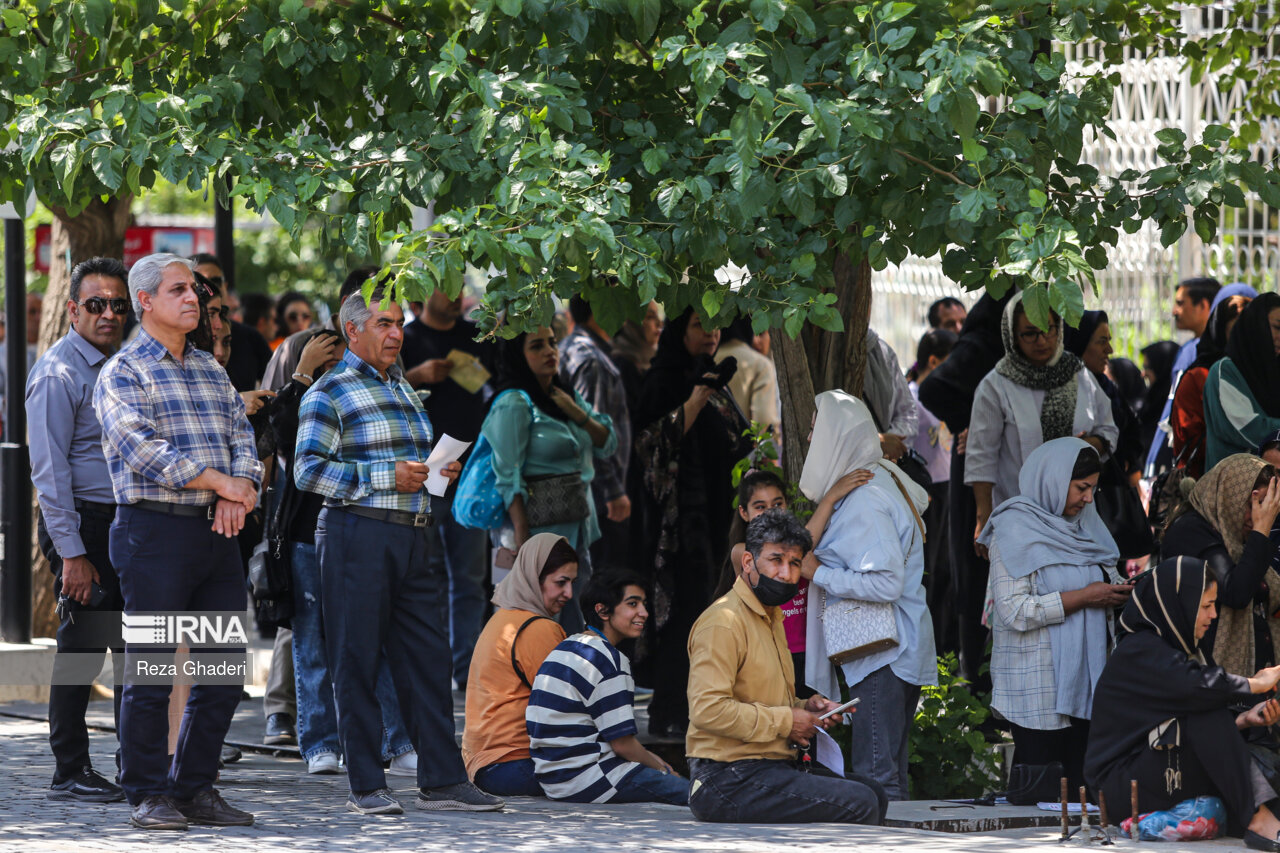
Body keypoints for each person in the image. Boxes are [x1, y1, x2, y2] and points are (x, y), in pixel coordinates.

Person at [294, 286, 502, 815]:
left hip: (414, 531)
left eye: (398, 323)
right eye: (384, 324)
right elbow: (308, 472)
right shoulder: (328, 392)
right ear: (352, 331)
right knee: (356, 660)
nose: (395, 333)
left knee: (428, 660)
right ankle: (367, 782)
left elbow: (410, 468)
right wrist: (386, 475)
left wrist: (436, 471)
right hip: (356, 535)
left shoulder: (402, 386)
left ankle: (442, 779)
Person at [94, 253, 263, 830]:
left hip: (216, 533)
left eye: (194, 289)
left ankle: (196, 789)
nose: (194, 299)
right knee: (154, 670)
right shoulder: (123, 371)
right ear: (145, 301)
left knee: (222, 669)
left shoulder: (211, 368)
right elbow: (144, 450)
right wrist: (222, 484)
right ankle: (147, 792)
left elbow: (242, 433)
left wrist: (243, 492)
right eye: (178, 290)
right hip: (154, 533)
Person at [268, 327, 417, 775]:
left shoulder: (377, 391)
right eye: (324, 367)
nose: (334, 376)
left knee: (378, 640)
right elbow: (283, 441)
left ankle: (397, 740)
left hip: (362, 527)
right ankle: (319, 745)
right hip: (303, 534)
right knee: (311, 642)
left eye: (339, 364)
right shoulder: (307, 399)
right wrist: (300, 375)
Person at [686, 509, 887, 823]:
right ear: (749, 563)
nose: (786, 573)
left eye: (794, 563)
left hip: (768, 767)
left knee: (874, 792)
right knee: (860, 801)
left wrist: (807, 707)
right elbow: (707, 710)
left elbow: (764, 702)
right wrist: (787, 720)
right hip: (724, 778)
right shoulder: (723, 622)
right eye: (775, 560)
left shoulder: (772, 617)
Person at [1084, 556, 1280, 846]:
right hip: (1120, 786)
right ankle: (1259, 821)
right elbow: (1196, 689)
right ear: (1178, 604)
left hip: (1154, 767)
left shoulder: (1179, 649)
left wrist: (1243, 720)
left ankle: (1265, 818)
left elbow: (1192, 723)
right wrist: (1254, 683)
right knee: (1206, 705)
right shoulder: (1139, 649)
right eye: (1205, 606)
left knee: (1245, 737)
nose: (1213, 615)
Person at [800, 390, 937, 800]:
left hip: (885, 655)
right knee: (888, 773)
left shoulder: (864, 500)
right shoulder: (883, 476)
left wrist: (818, 572)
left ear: (837, 436)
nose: (809, 439)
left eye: (815, 430)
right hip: (898, 646)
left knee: (875, 779)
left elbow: (885, 583)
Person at [26, 257, 129, 803]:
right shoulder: (58, 372)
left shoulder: (117, 363)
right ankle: (70, 769)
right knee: (84, 648)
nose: (108, 314)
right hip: (82, 523)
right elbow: (48, 471)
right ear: (72, 310)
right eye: (96, 304)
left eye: (117, 304)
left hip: (121, 520)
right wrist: (72, 554)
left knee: (129, 646)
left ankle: (133, 762)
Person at [980, 438, 1128, 793]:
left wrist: (1121, 591)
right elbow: (1014, 610)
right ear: (1054, 479)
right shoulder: (1012, 530)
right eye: (1081, 488)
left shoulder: (1087, 526)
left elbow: (1109, 575)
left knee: (1084, 797)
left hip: (1089, 683)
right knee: (1042, 799)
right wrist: (1082, 598)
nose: (1088, 499)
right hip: (1038, 689)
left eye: (1093, 488)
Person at [633, 308, 752, 738]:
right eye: (701, 324)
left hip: (715, 521)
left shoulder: (713, 377)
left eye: (716, 325)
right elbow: (646, 447)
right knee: (680, 615)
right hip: (675, 527)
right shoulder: (663, 380)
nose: (711, 333)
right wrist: (693, 403)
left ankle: (703, 709)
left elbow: (738, 439)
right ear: (678, 331)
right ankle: (668, 710)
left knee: (709, 612)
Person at [481, 326, 618, 635]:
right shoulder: (513, 403)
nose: (549, 351)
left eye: (553, 343)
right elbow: (507, 474)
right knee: (524, 627)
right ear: (518, 355)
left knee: (576, 626)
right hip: (527, 534)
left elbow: (608, 442)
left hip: (575, 529)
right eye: (537, 346)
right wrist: (522, 539)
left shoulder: (562, 395)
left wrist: (576, 413)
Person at [966, 291, 1118, 558]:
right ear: (1012, 334)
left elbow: (1108, 431)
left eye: (1050, 329)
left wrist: (1084, 446)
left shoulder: (1078, 375)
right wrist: (983, 516)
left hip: (1078, 519)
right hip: (1019, 518)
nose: (1042, 341)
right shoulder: (996, 386)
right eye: (1030, 333)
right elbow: (982, 458)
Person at [400, 290, 496, 688]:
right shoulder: (405, 338)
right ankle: (431, 667)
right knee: (427, 577)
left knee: (470, 579)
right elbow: (385, 396)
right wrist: (418, 376)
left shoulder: (477, 337)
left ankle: (465, 669)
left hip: (471, 475)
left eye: (461, 285)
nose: (458, 295)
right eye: (448, 286)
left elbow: (494, 390)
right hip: (423, 477)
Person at [527, 571, 688, 804]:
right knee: (698, 795)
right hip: (590, 780)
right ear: (603, 611)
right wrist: (663, 769)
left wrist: (655, 762)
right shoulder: (608, 659)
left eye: (643, 604)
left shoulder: (565, 647)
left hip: (554, 780)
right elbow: (623, 744)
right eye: (632, 604)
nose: (643, 613)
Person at [918, 292, 1012, 686]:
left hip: (998, 479)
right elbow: (934, 389)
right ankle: (980, 686)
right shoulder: (983, 345)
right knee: (977, 575)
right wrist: (974, 424)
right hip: (978, 482)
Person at [710, 469, 871, 698]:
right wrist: (830, 498)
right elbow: (800, 549)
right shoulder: (742, 553)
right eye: (760, 507)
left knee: (810, 723)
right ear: (744, 513)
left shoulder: (799, 547)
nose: (769, 513)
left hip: (809, 656)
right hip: (768, 656)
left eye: (777, 504)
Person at [463, 534, 576, 796]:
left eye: (572, 583)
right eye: (561, 582)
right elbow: (568, 707)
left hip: (485, 766)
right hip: (510, 765)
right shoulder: (539, 628)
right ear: (533, 579)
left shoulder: (503, 618)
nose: (569, 593)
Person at [1162, 454, 1280, 677]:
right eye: (1254, 503)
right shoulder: (1191, 531)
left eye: (1265, 506)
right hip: (1206, 681)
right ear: (1229, 494)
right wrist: (1262, 530)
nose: (1257, 515)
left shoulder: (1234, 536)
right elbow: (1236, 591)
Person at [560, 295, 633, 571]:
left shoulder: (572, 347)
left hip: (588, 492)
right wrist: (613, 491)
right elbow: (593, 432)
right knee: (601, 581)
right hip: (598, 498)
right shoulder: (590, 359)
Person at [907, 329, 957, 653]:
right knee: (928, 570)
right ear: (934, 361)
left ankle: (943, 650)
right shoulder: (911, 398)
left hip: (948, 486)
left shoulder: (947, 396)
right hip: (926, 493)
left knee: (945, 571)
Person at [1145, 276, 1222, 476]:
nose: (1174, 311)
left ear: (1203, 306)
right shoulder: (1188, 349)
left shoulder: (1200, 353)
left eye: (1181, 303)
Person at [1171, 293, 1253, 477]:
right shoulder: (1201, 376)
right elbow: (1187, 439)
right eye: (1236, 333)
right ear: (1220, 331)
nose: (1245, 341)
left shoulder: (1259, 373)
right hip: (1206, 483)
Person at [1204, 293, 1280, 467]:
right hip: (1234, 489)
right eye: (1277, 327)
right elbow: (1251, 430)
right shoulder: (1224, 372)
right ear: (1256, 325)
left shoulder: (1274, 370)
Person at [191, 254, 272, 392]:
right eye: (199, 283)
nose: (219, 352)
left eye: (215, 281)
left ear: (225, 286)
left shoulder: (251, 337)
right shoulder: (180, 342)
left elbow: (274, 388)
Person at [714, 317, 781, 443]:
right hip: (744, 457)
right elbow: (763, 423)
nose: (756, 340)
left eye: (761, 333)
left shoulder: (703, 362)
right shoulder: (759, 365)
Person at [863, 328, 918, 463]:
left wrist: (891, 442)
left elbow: (908, 413)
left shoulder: (882, 351)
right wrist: (876, 442)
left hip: (887, 465)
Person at [609, 301, 662, 416]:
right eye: (650, 317)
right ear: (629, 322)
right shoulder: (623, 364)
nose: (659, 323)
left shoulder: (653, 359)